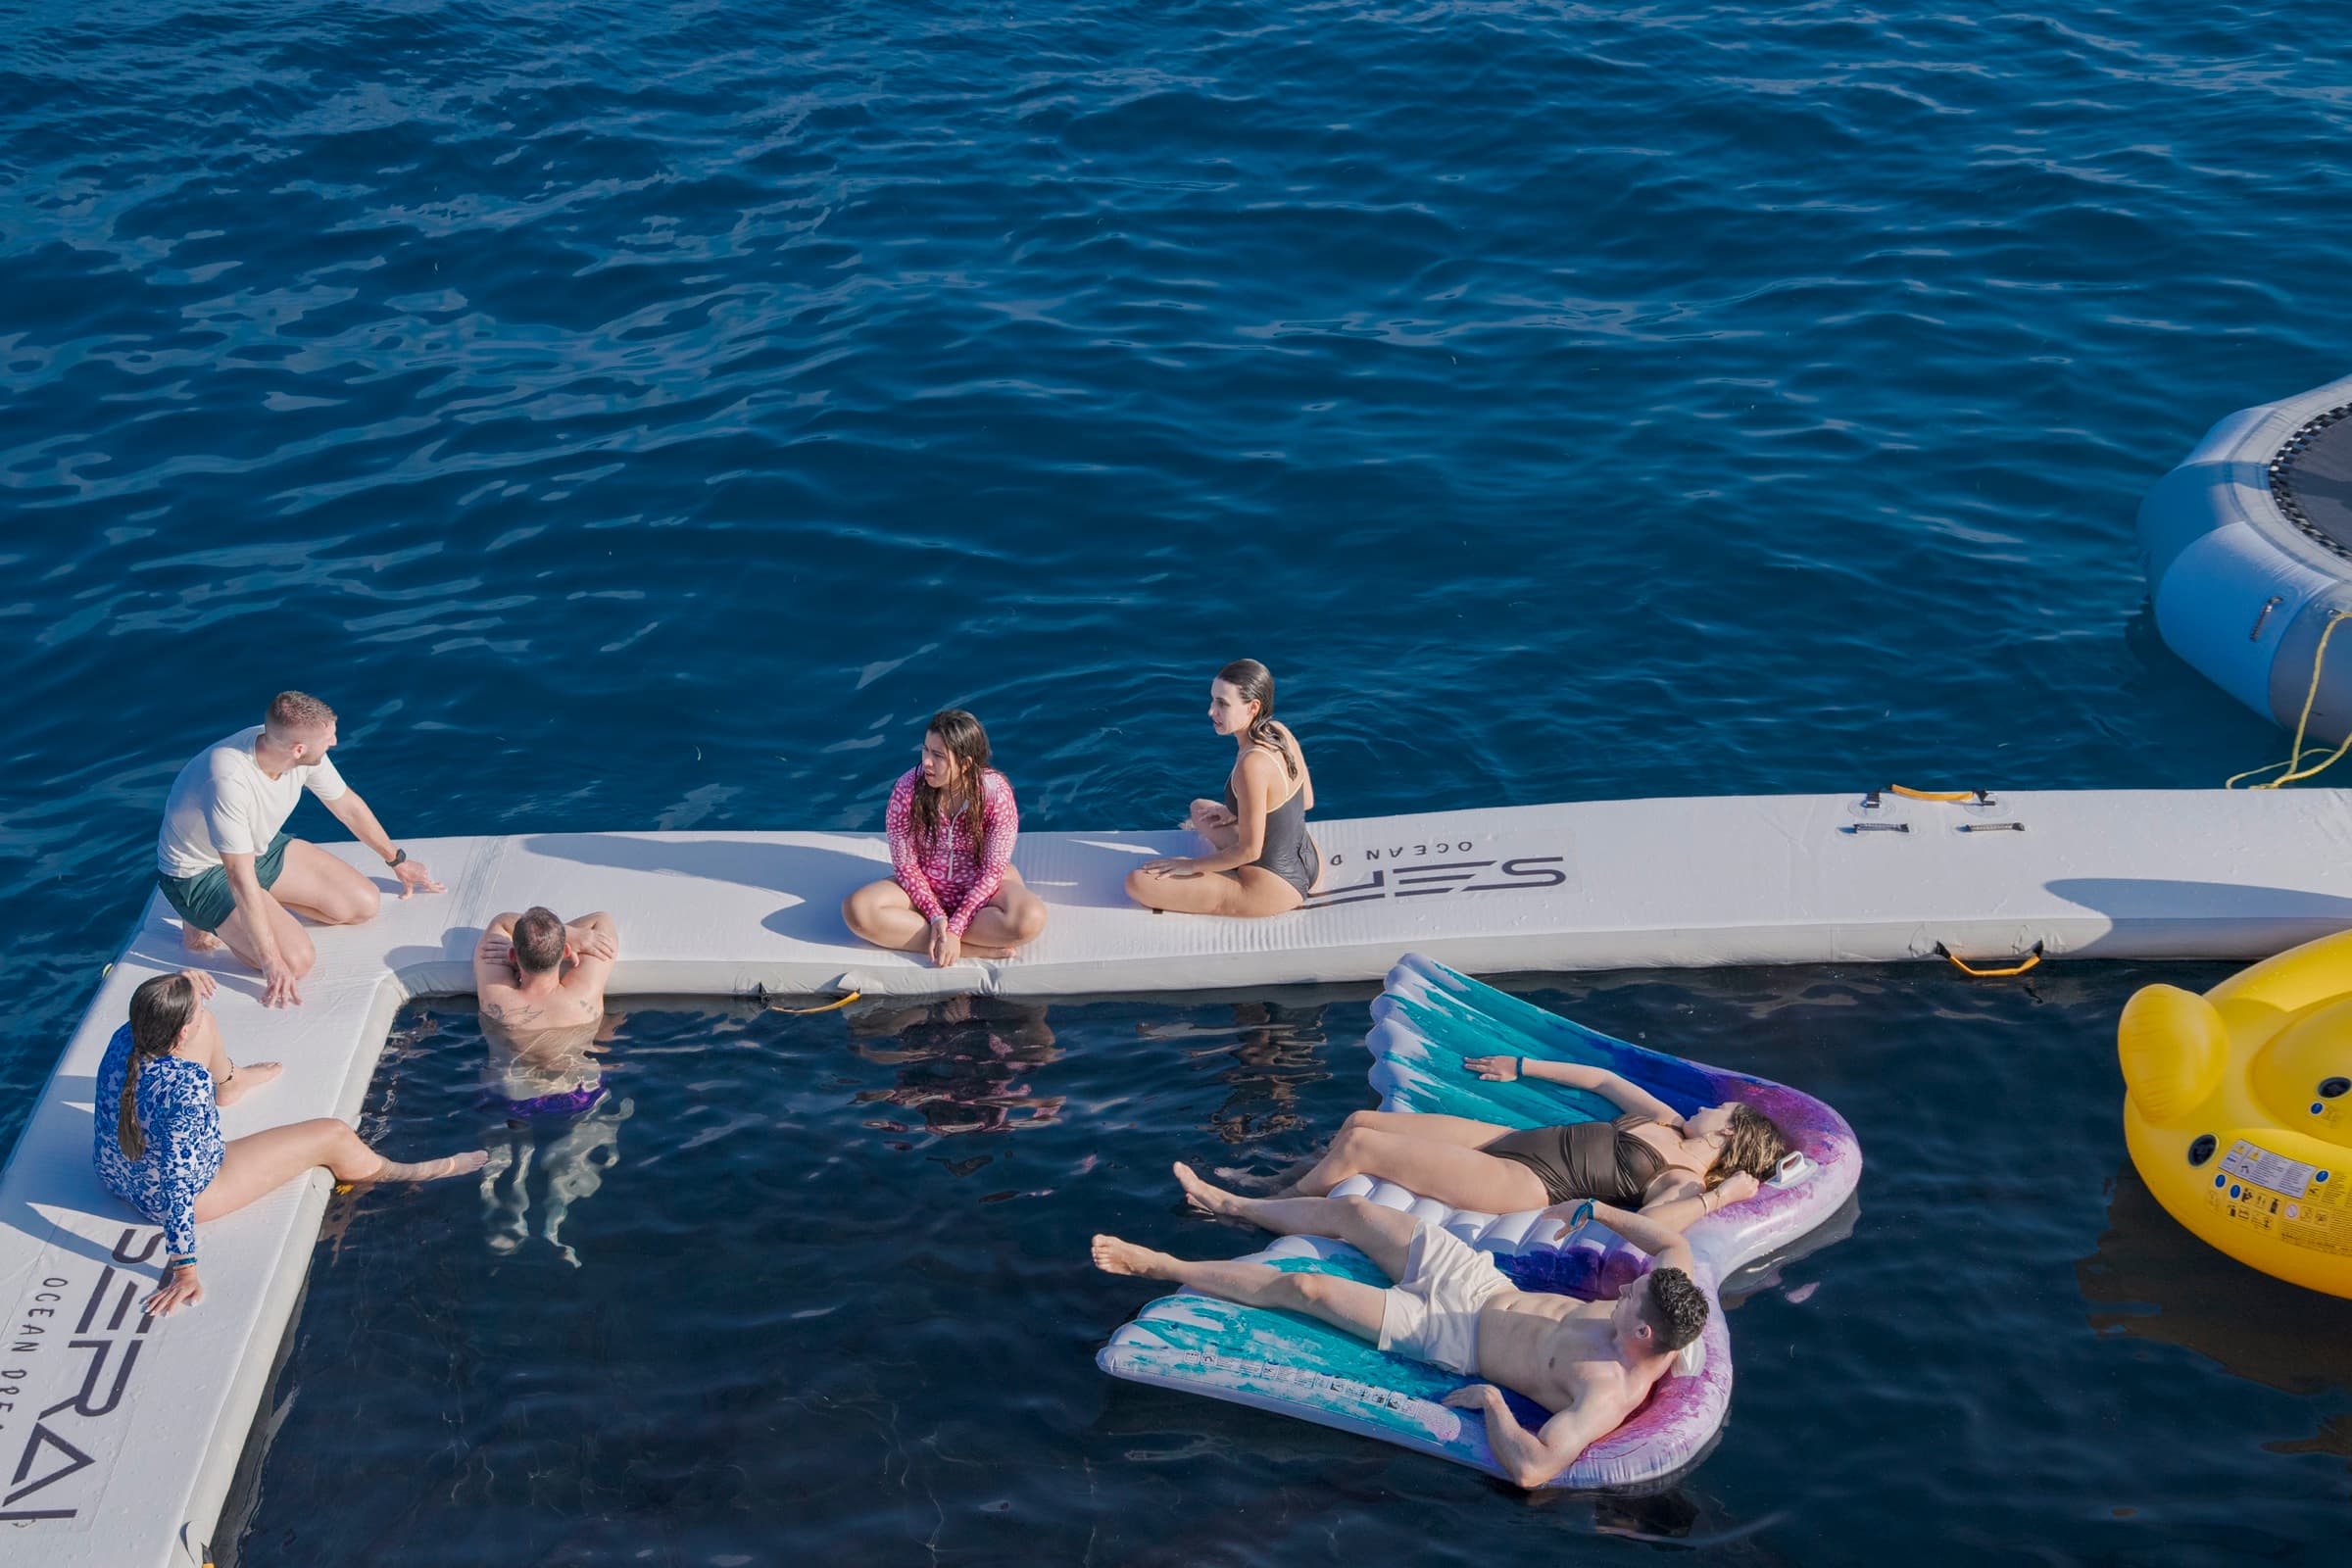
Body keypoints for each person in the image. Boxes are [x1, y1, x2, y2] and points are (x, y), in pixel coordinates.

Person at [1093, 1167, 1709, 1489]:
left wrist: (1494, 1403)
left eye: (1629, 1301)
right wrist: (1595, 1209)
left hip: (1451, 1336)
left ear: (1645, 1339)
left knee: (1306, 1289)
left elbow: (1533, 1469)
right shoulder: (1667, 1299)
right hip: (1483, 1284)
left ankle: (1160, 1265)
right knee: (1357, 1212)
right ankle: (1231, 1204)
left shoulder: (1607, 1390)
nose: (1625, 1288)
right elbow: (1673, 1241)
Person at [96, 970, 486, 1318]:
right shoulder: (187, 1089)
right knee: (332, 1135)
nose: (201, 1014)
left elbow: (179, 1037)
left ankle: (232, 1082)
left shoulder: (124, 1038)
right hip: (184, 1193)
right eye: (192, 1013)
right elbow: (176, 1187)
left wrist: (178, 989)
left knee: (208, 1023)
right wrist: (185, 1270)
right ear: (181, 1033)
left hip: (116, 1177)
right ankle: (404, 1172)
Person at [156, 691, 445, 1006]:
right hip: (199, 874)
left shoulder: (293, 750)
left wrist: (396, 860)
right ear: (298, 749)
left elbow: (346, 805)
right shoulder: (228, 780)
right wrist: (270, 960)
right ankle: (199, 919)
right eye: (329, 738)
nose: (334, 742)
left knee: (363, 904)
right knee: (295, 962)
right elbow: (239, 877)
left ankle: (255, 908)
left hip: (256, 848)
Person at [1272, 1059, 1791, 1229]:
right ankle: (1289, 1179)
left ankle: (1272, 1204)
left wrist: (1722, 1197)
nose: (1706, 1108)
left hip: (1524, 1182)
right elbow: (1604, 1080)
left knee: (1363, 1146)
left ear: (1729, 1133)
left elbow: (1651, 1225)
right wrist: (1519, 1066)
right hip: (1510, 1141)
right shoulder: (1669, 1121)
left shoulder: (1682, 1180)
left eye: (1718, 1111)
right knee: (1363, 1119)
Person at [841, 710, 1048, 965]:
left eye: (938, 755)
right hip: (925, 884)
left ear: (966, 764)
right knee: (857, 910)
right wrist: (937, 917)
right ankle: (973, 949)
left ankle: (946, 940)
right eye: (926, 750)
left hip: (984, 886)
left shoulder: (996, 794)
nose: (926, 761)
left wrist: (955, 928)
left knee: (1030, 919)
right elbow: (905, 866)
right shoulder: (907, 789)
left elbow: (992, 872)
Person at [1126, 660, 1321, 916]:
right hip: (1310, 861)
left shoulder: (1252, 764)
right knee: (1200, 810)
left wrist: (1193, 866)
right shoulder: (1278, 731)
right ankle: (1227, 863)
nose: (1211, 711)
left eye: (1223, 704)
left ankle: (1232, 881)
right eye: (1213, 700)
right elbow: (1305, 800)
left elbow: (1250, 851)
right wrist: (1240, 811)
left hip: (1273, 886)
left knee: (1138, 882)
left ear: (1253, 707)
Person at [472, 906, 620, 1039]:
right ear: (567, 952)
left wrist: (561, 935)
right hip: (578, 1067)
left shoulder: (497, 997)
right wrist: (567, 934)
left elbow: (501, 922)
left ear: (512, 955)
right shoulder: (584, 992)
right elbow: (602, 919)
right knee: (608, 1029)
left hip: (507, 1068)